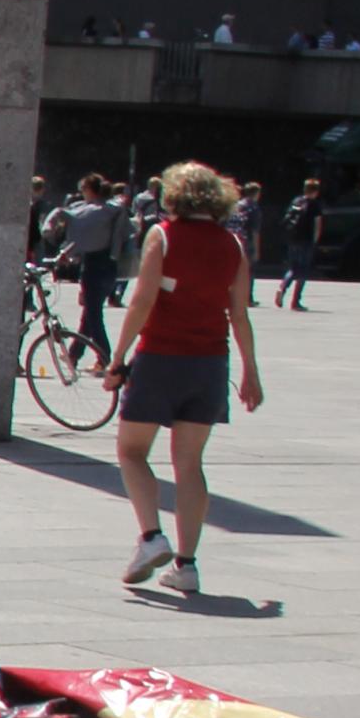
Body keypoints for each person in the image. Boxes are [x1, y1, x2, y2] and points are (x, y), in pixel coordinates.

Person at [102, 161, 261, 597]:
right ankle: (186, 565)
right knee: (189, 464)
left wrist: (117, 357)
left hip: (160, 358)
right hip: (209, 363)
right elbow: (239, 312)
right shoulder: (233, 243)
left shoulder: (163, 235)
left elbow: (142, 299)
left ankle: (151, 536)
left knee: (132, 451)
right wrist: (251, 372)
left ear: (173, 196)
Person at [53, 173, 125, 362]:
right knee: (90, 314)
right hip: (109, 266)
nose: (81, 194)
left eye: (83, 190)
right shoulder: (111, 210)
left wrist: (66, 253)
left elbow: (82, 237)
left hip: (94, 266)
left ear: (91, 190)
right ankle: (74, 355)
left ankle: (105, 358)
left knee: (93, 315)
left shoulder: (93, 211)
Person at [274, 175, 326, 307]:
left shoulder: (296, 201)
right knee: (303, 270)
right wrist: (315, 241)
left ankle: (282, 287)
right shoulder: (315, 205)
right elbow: (317, 224)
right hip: (306, 241)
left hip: (293, 239)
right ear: (316, 191)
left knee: (293, 267)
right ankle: (296, 301)